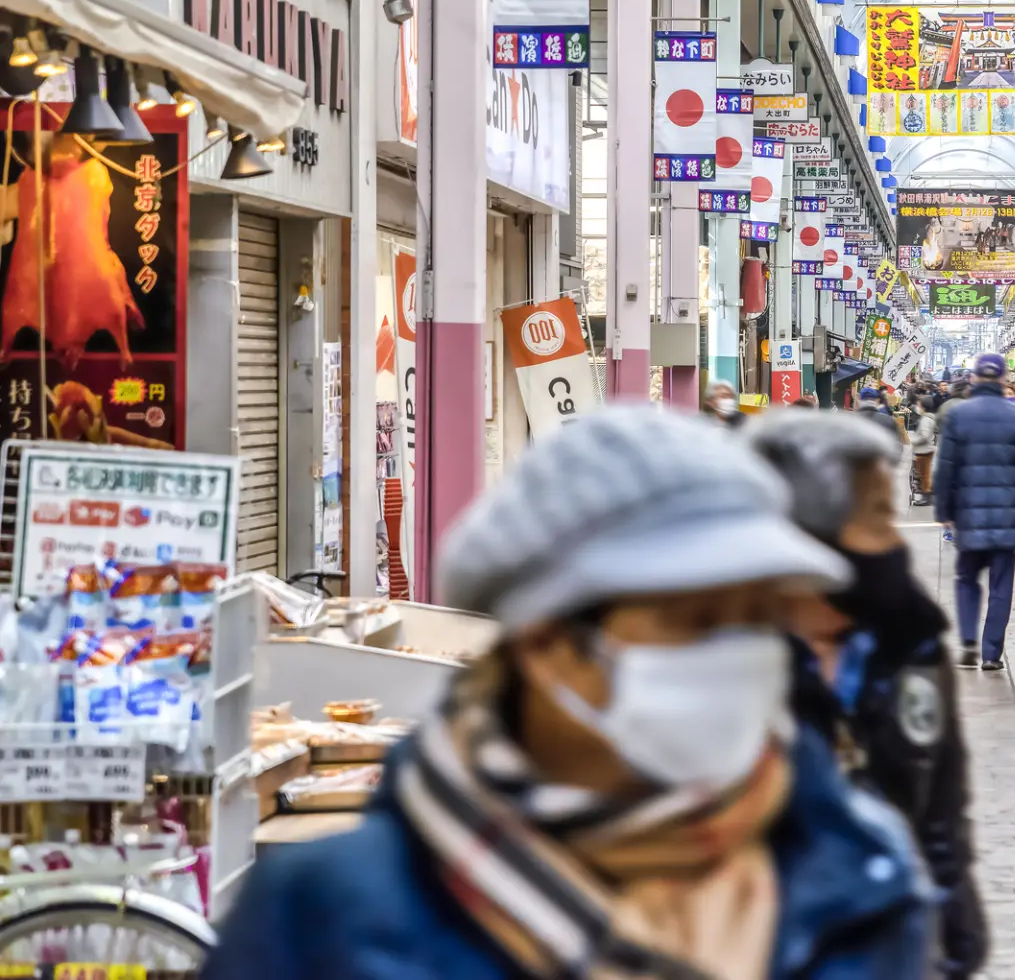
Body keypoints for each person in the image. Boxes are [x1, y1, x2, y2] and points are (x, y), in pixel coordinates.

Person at [202, 408, 930, 980]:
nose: (740, 657)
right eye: (693, 622)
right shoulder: (320, 915)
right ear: (548, 643)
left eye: (759, 619)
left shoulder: (863, 881)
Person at [746, 413, 987, 978]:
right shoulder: (730, 657)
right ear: (809, 531)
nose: (894, 543)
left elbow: (939, 808)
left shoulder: (910, 643)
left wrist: (954, 924)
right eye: (878, 517)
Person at [934, 352, 1015, 672]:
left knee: (966, 578)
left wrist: (944, 510)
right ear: (1004, 378)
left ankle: (967, 639)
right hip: (1008, 518)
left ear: (975, 378)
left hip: (970, 516)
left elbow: (945, 469)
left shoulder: (958, 415)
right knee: (1001, 586)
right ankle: (991, 653)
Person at [907, 393, 939, 505]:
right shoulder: (930, 418)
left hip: (923, 450)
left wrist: (913, 440)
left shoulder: (925, 419)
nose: (918, 406)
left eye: (919, 404)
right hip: (926, 450)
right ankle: (927, 495)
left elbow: (924, 436)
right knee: (925, 474)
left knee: (924, 475)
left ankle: (926, 497)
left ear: (923, 406)